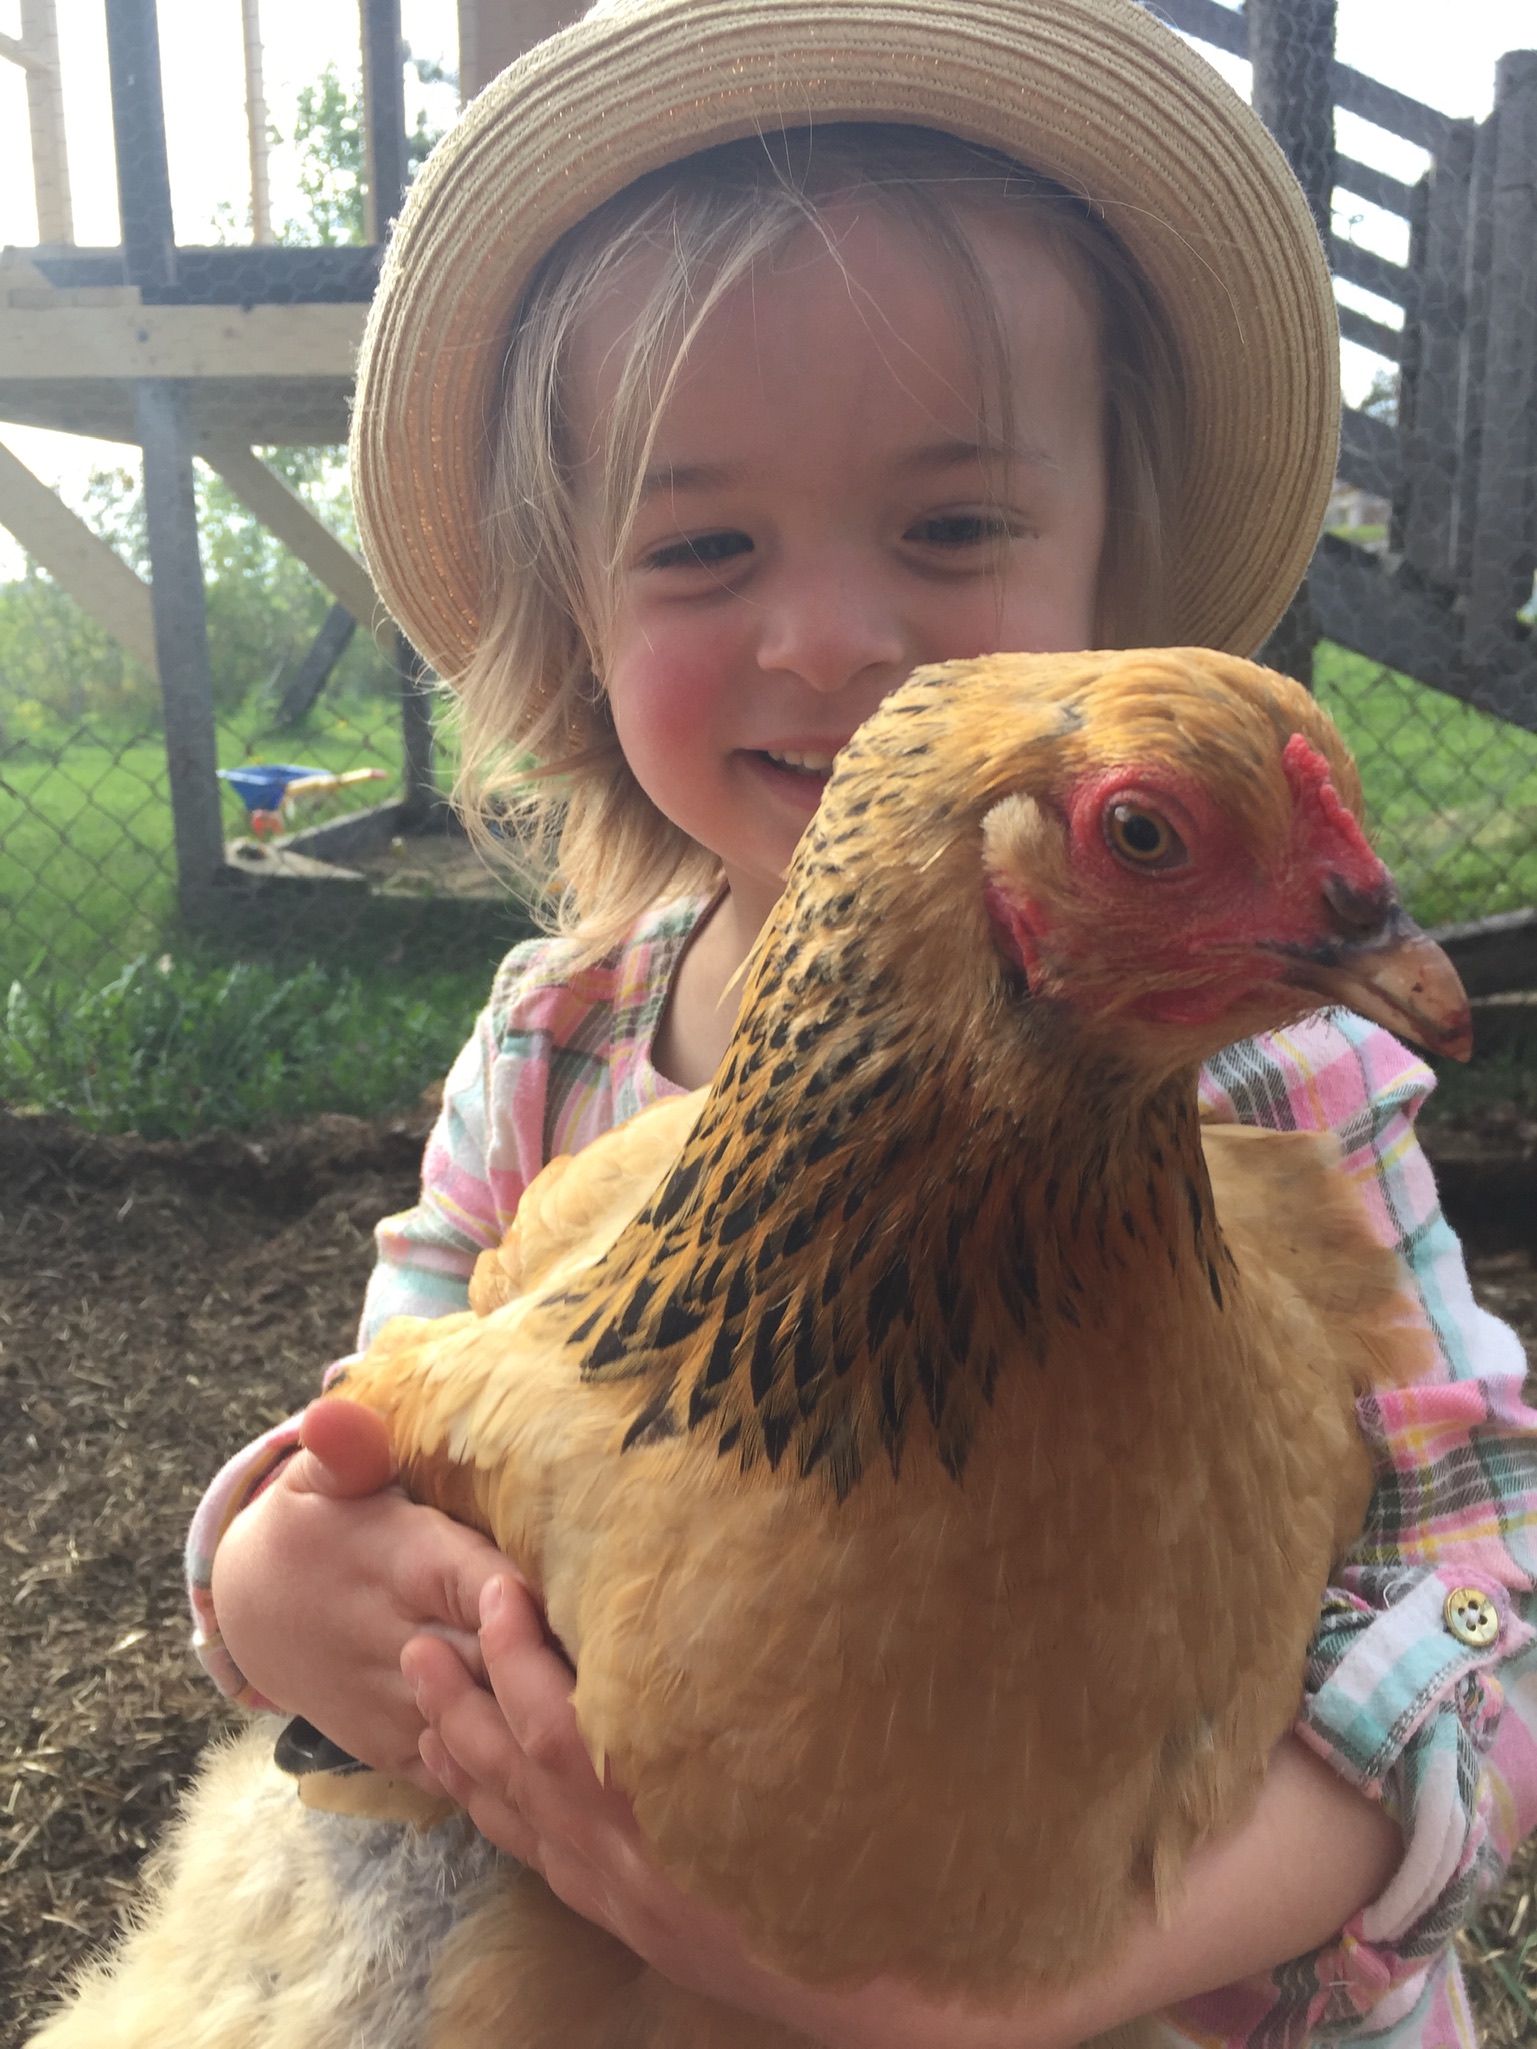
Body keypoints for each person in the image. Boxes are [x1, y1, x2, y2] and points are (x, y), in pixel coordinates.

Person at [185, 1, 1537, 2041]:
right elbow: (382, 1430)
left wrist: (1020, 1983)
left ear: (1116, 582)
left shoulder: (1289, 1089)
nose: (829, 637)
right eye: (706, 541)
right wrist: (267, 1577)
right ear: (579, 616)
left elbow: (1488, 1628)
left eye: (951, 526)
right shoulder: (555, 1048)